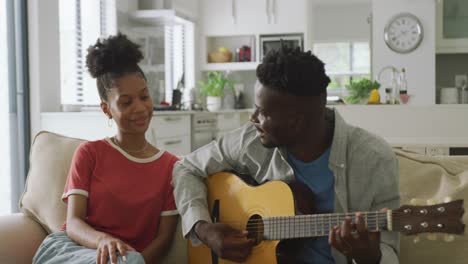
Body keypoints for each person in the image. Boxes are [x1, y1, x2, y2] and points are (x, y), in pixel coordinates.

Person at [173, 46, 400, 264]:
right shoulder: (250, 141)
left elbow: (389, 251)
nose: (253, 119)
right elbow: (185, 168)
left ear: (296, 121)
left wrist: (369, 257)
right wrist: (204, 229)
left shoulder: (374, 159)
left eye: (261, 112)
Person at [33, 33, 179, 264]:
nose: (140, 108)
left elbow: (163, 239)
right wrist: (103, 241)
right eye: (126, 102)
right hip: (69, 251)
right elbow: (73, 223)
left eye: (144, 96)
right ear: (106, 109)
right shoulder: (89, 154)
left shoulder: (171, 167)